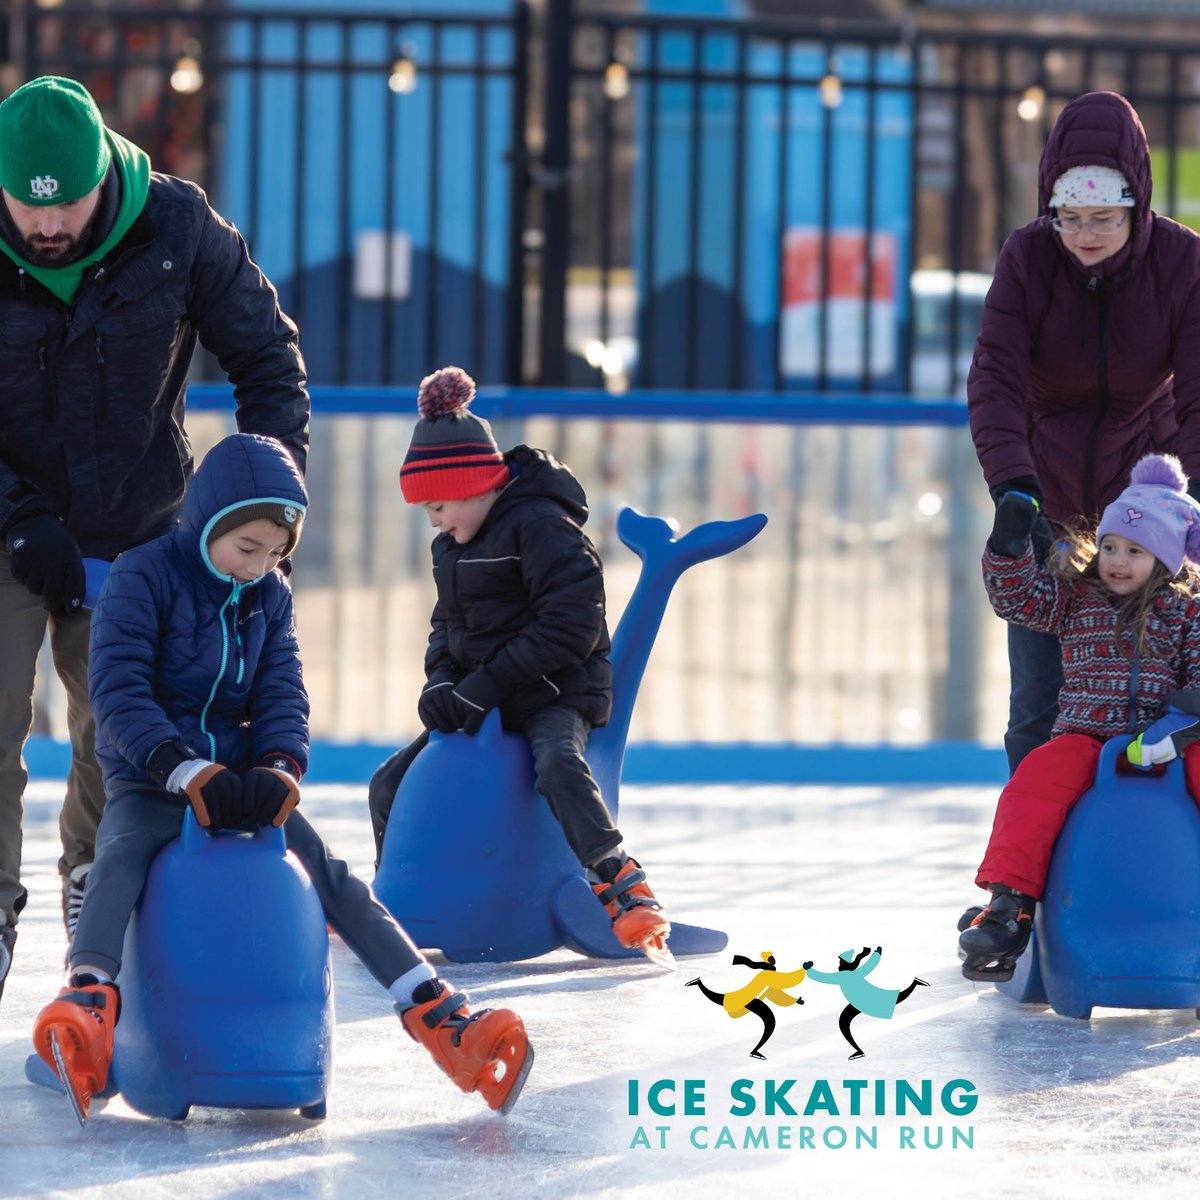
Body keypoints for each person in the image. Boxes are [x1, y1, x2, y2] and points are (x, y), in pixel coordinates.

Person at [30, 433, 531, 1121]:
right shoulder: (141, 577)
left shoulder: (268, 594)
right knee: (116, 859)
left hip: (239, 780)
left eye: (275, 555)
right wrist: (180, 766)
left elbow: (281, 691)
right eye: (246, 549)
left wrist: (278, 766)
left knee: (332, 874)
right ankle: (88, 1000)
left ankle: (439, 1015)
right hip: (152, 782)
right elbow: (117, 693)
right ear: (207, 522)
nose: (259, 567)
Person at [0, 75, 309, 1001]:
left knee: (122, 728)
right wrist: (21, 521)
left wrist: (270, 499)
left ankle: (97, 892)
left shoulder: (176, 227)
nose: (45, 229)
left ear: (103, 177)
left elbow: (266, 357)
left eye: (67, 206)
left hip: (138, 525)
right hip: (4, 520)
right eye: (23, 206)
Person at [368, 365, 671, 964]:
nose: (434, 520)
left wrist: (486, 684)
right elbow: (445, 627)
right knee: (388, 783)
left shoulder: (542, 526)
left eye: (438, 504)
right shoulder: (452, 547)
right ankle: (390, 904)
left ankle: (618, 882)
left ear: (474, 481)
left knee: (557, 764)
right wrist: (444, 682)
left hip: (557, 690)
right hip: (489, 694)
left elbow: (571, 627)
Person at [967, 90, 1200, 775]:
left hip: (1147, 504)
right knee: (1040, 701)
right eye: (1069, 218)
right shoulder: (1028, 259)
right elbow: (995, 378)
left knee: (1154, 691)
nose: (1086, 234)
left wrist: (1183, 508)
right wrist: (1014, 485)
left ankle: (1147, 853)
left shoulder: (1182, 264)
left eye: (1104, 217)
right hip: (1047, 492)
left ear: (1137, 205)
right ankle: (1026, 874)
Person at [958, 453, 1200, 983]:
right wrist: (1008, 546)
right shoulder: (1075, 596)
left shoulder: (1185, 611)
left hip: (1167, 741)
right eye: (1111, 546)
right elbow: (1017, 600)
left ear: (1164, 558)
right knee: (1035, 780)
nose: (1116, 559)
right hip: (1087, 739)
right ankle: (1009, 909)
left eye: (1135, 550)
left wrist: (1175, 731)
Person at [802, 948, 927, 1061]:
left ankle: (858, 1050)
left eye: (840, 961)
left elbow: (823, 977)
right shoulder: (855, 973)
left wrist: (809, 970)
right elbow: (869, 966)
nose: (839, 963)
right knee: (893, 999)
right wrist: (877, 954)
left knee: (844, 1022)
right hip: (862, 999)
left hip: (862, 1000)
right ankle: (914, 984)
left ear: (844, 962)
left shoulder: (841, 976)